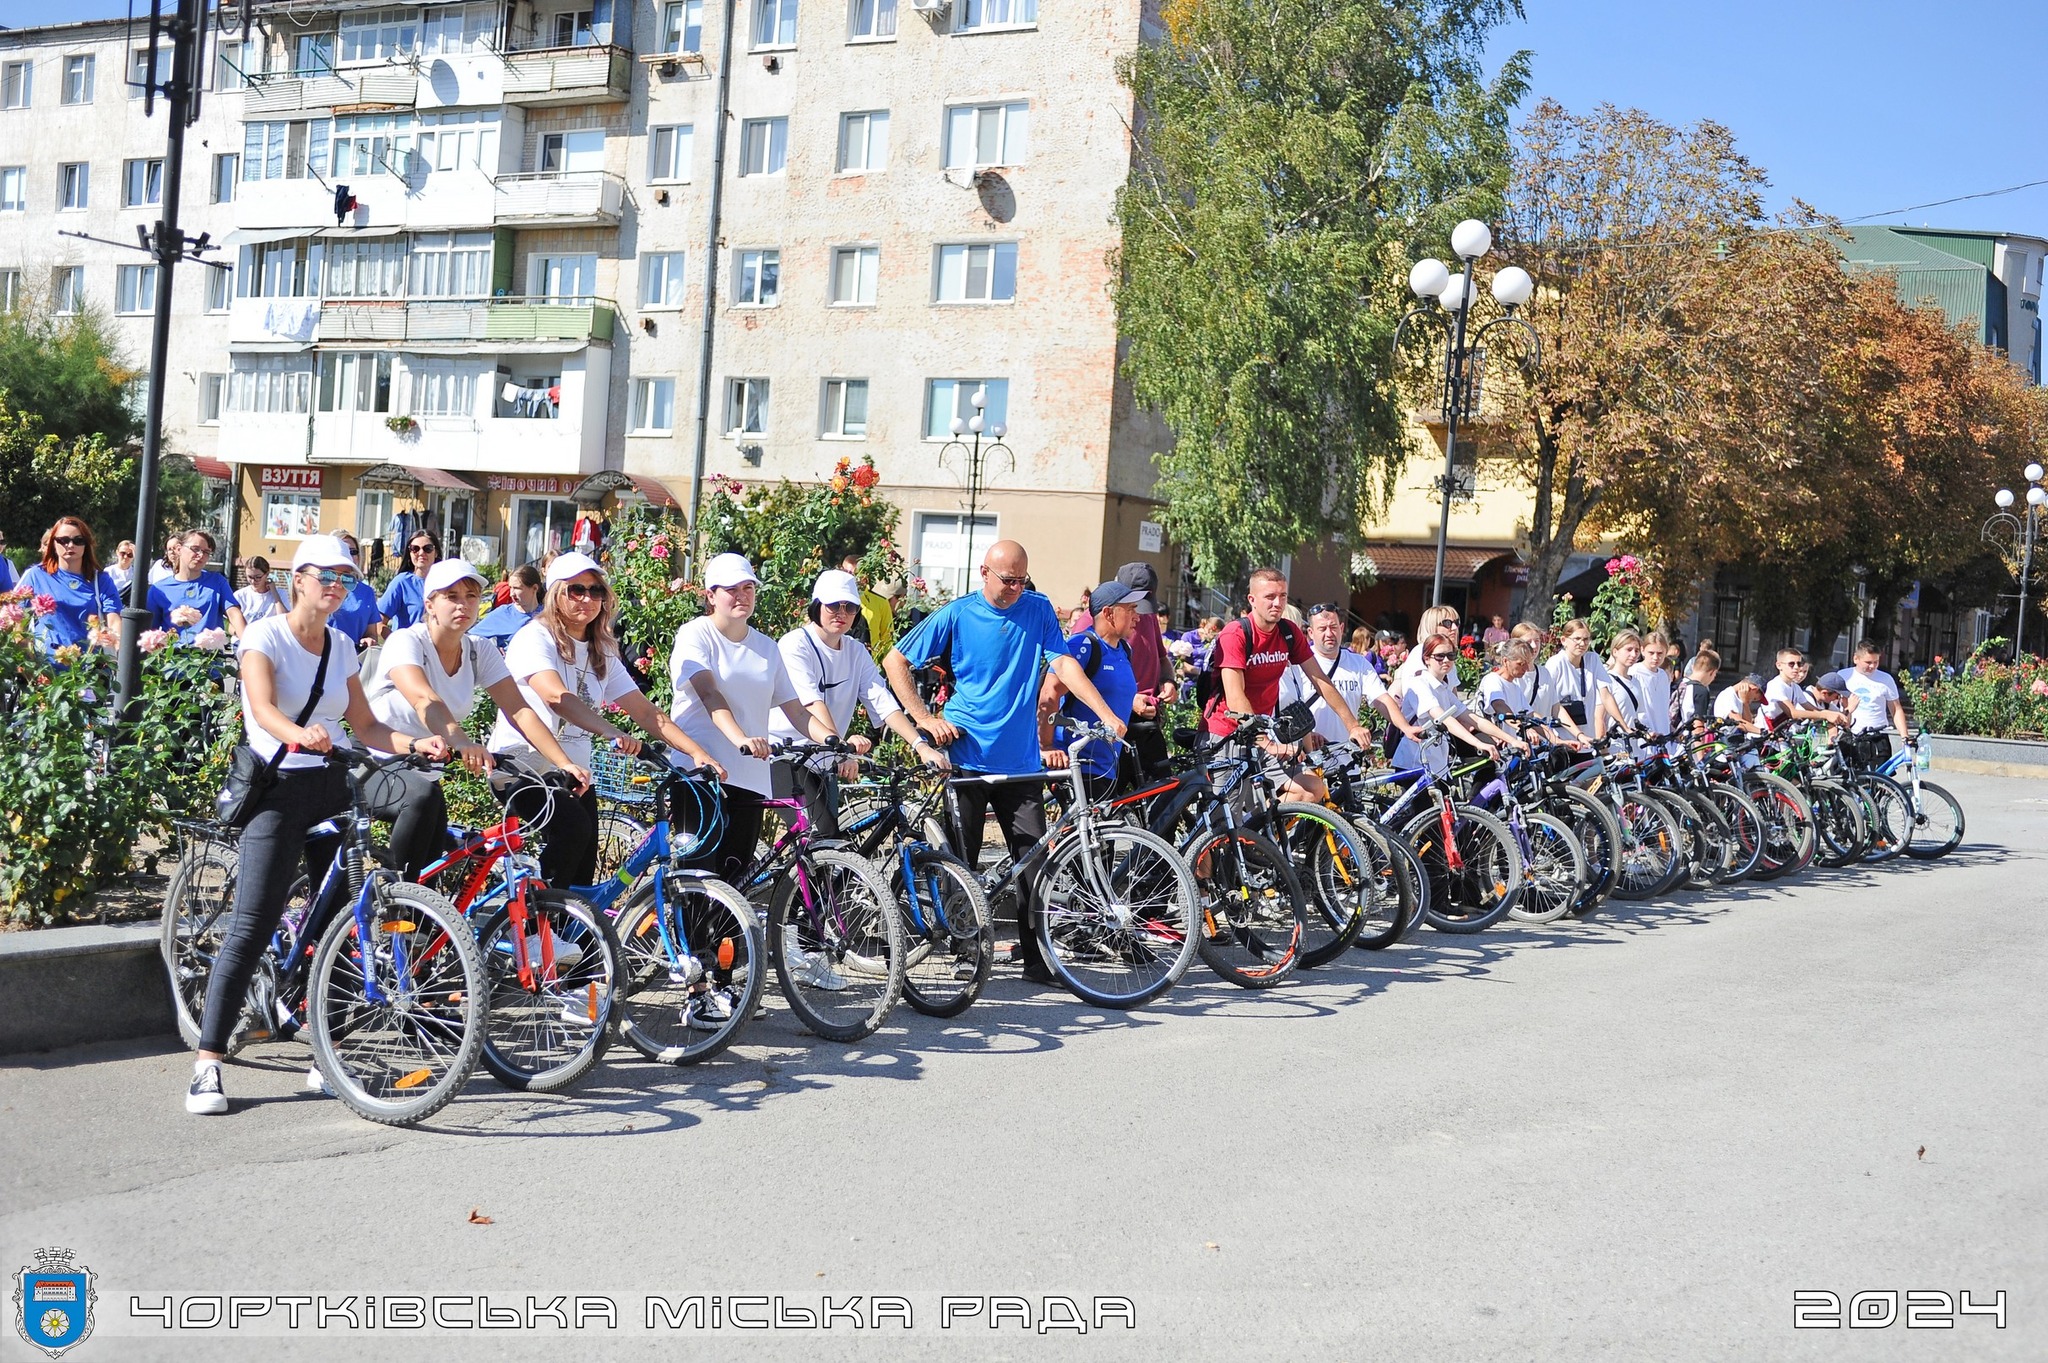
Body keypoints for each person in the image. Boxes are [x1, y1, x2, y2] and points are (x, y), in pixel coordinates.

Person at [185, 535, 454, 1116]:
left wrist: (416, 744)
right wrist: (298, 734)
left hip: (331, 786)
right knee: (253, 924)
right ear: (299, 579)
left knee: (337, 925)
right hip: (277, 789)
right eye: (326, 575)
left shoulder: (341, 646)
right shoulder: (265, 636)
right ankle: (208, 1061)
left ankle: (323, 1056)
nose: (336, 586)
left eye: (346, 579)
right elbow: (262, 709)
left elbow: (367, 726)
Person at [883, 540, 1127, 983]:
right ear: (984, 573)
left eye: (1021, 580)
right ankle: (965, 950)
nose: (1015, 588)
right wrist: (924, 719)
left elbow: (1064, 665)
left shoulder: (1038, 608)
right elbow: (895, 660)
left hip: (1020, 761)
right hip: (967, 754)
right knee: (962, 860)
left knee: (1033, 862)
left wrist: (1105, 714)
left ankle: (1037, 959)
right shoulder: (958, 613)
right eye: (1007, 580)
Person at [489, 553, 717, 886]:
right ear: (555, 594)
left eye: (595, 591)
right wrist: (612, 732)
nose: (587, 598)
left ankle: (562, 919)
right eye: (576, 590)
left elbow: (645, 711)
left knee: (582, 874)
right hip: (522, 766)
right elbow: (556, 697)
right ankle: (536, 916)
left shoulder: (601, 649)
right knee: (573, 829)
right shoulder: (534, 637)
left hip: (574, 774)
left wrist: (697, 753)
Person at [366, 559, 591, 878]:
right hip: (378, 760)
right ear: (429, 604)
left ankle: (417, 903)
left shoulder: (478, 651)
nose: (464, 604)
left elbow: (520, 711)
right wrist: (463, 743)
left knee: (433, 877)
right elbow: (424, 699)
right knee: (421, 814)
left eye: (471, 596)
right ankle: (396, 897)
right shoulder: (407, 641)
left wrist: (563, 762)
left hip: (426, 771)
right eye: (452, 596)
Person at [669, 553, 840, 889]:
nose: (742, 595)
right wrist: (741, 739)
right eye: (731, 589)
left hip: (749, 777)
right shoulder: (695, 634)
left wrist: (834, 742)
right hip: (701, 771)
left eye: (748, 588)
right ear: (710, 595)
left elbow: (797, 711)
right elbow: (709, 693)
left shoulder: (766, 648)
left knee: (735, 881)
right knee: (699, 879)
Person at [774, 569, 940, 836]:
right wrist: (842, 751)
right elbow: (812, 704)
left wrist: (920, 746)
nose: (841, 613)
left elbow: (882, 701)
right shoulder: (795, 644)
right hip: (785, 755)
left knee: (832, 846)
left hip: (824, 758)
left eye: (849, 607)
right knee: (822, 836)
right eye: (833, 605)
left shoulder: (855, 650)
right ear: (817, 606)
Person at [1204, 567, 1374, 803]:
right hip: (1227, 735)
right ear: (1252, 600)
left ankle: (1263, 824)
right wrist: (1266, 742)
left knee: (1311, 788)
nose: (1277, 603)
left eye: (1282, 596)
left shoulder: (1288, 632)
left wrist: (1353, 725)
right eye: (1270, 596)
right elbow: (1235, 696)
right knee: (1229, 815)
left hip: (1258, 735)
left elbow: (1321, 680)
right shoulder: (1236, 634)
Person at [1039, 579, 1152, 792]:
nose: (1137, 616)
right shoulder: (1082, 646)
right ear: (1108, 613)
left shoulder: (1124, 650)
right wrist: (1046, 746)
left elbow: (1111, 692)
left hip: (1107, 767)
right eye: (1130, 609)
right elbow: (1050, 692)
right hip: (1078, 767)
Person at [1277, 601, 1420, 749]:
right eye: (1322, 629)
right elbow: (1284, 708)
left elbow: (1381, 699)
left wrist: (1405, 727)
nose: (1329, 634)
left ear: (1341, 628)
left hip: (1346, 753)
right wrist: (1306, 735)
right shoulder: (1298, 663)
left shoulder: (1358, 663)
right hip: (1311, 753)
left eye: (1333, 627)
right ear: (1311, 633)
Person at [1392, 635, 1526, 775]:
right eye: (1439, 656)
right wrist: (1478, 743)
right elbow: (1444, 719)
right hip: (1414, 763)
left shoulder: (1444, 689)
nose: (1446, 660)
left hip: (1437, 764)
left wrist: (1512, 740)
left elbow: (1474, 719)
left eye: (1451, 656)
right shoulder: (1419, 684)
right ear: (1426, 659)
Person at [20, 517, 123, 653]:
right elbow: (17, 619)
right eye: (63, 540)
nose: (70, 545)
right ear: (53, 543)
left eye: (78, 540)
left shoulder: (101, 580)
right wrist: (28, 658)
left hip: (89, 662)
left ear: (86, 544)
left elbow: (114, 621)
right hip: (45, 663)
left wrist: (122, 653)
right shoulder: (35, 575)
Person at [148, 529, 244, 644]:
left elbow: (234, 614)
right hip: (173, 653)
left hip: (209, 653)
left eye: (206, 552)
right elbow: (150, 631)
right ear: (179, 549)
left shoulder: (217, 582)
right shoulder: (159, 589)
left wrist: (250, 645)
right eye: (195, 549)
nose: (201, 555)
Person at [1838, 639, 1910, 767]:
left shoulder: (1885, 679)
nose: (1872, 666)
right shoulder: (1843, 676)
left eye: (1876, 662)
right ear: (1856, 659)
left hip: (1878, 736)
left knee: (1880, 777)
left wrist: (1904, 736)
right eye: (1868, 662)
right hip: (1851, 735)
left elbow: (1896, 709)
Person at [1541, 619, 1611, 734]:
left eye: (1586, 639)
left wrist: (1624, 726)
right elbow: (1546, 700)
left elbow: (1606, 695)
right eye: (1577, 639)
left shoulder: (1592, 659)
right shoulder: (1555, 664)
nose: (1582, 644)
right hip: (1561, 735)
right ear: (1564, 640)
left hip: (1587, 734)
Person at [1762, 648, 1848, 731]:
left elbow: (1813, 709)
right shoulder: (1776, 685)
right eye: (1791, 664)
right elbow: (1793, 713)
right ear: (1779, 665)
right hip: (1763, 734)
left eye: (1799, 664)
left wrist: (1834, 714)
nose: (1796, 667)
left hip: (1778, 733)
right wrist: (1825, 715)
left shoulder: (1795, 687)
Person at [328, 531, 385, 646]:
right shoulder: (321, 585)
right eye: (343, 549)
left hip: (355, 654)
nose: (348, 555)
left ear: (358, 557)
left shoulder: (367, 592)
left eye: (353, 552)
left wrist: (369, 640)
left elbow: (372, 633)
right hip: (323, 652)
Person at [471, 564, 543, 653]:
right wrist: (492, 651)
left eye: (517, 588)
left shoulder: (548, 614)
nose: (511, 594)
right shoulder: (503, 613)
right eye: (510, 588)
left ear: (535, 588)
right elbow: (471, 638)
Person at [379, 530, 441, 631]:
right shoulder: (402, 582)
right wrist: (396, 638)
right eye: (415, 549)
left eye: (427, 549)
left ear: (436, 552)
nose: (421, 553)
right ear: (410, 553)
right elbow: (379, 622)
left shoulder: (445, 583)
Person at [1678, 649, 1721, 731]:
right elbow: (1698, 725)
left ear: (1693, 667)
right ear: (1712, 672)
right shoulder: (1701, 691)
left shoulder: (1679, 684)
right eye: (1715, 675)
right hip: (1686, 736)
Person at [234, 556, 285, 624]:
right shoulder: (239, 595)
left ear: (267, 574)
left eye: (258, 577)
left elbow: (283, 620)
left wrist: (274, 592)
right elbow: (232, 622)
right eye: (250, 577)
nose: (253, 581)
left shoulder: (280, 593)